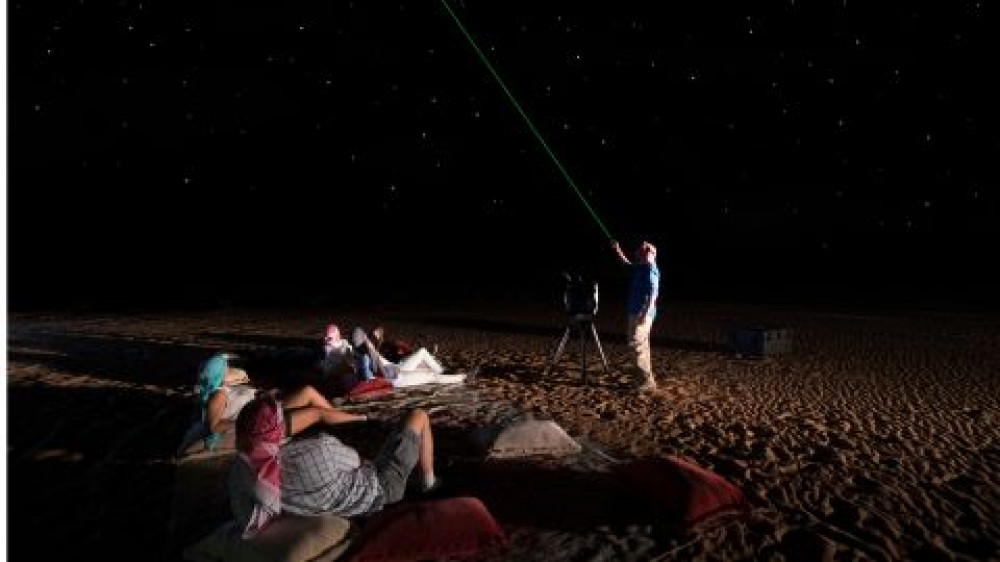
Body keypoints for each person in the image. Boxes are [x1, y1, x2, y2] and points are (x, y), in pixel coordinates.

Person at [228, 394, 440, 537]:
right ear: (278, 430)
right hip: (382, 491)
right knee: (418, 416)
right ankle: (429, 483)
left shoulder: (245, 474)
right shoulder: (318, 449)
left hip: (339, 509)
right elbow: (358, 461)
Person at [192, 352, 342, 452]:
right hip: (262, 418)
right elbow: (214, 426)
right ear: (219, 374)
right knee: (312, 405)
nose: (228, 368)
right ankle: (341, 421)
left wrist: (260, 394)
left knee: (308, 392)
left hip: (264, 407)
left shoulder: (222, 388)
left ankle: (336, 417)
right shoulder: (218, 396)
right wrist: (246, 421)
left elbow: (234, 389)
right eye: (225, 368)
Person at [611, 240, 661, 391]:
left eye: (647, 250)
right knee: (639, 345)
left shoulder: (650, 269)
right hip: (636, 312)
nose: (642, 252)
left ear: (653, 255)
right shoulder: (641, 268)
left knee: (637, 345)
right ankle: (643, 379)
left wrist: (644, 314)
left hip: (641, 313)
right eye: (641, 250)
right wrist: (618, 250)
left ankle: (646, 381)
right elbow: (626, 264)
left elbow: (653, 293)